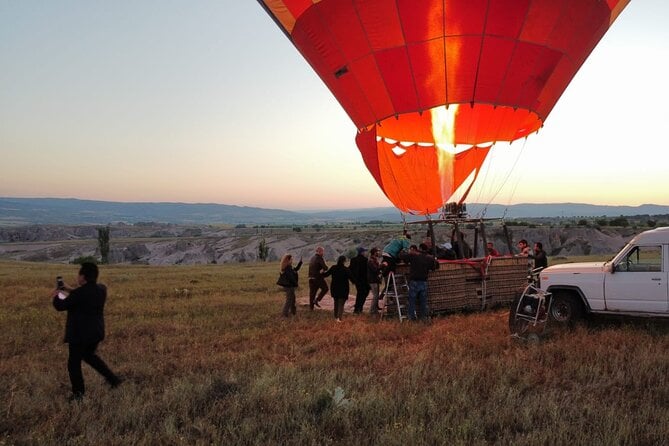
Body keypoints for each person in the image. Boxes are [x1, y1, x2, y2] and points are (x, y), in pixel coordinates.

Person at [51, 262, 121, 401]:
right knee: (89, 356)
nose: (78, 277)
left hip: (79, 335)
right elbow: (81, 294)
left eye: (79, 274)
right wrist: (69, 289)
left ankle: (78, 394)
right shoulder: (101, 289)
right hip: (96, 333)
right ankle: (113, 380)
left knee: (73, 364)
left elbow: (60, 306)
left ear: (82, 277)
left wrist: (56, 295)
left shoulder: (79, 294)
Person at [399, 243, 438, 321]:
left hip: (414, 282)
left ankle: (411, 318)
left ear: (419, 248)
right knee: (423, 302)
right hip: (423, 282)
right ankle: (423, 318)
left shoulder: (414, 256)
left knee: (412, 301)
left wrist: (403, 251)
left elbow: (402, 257)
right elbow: (436, 266)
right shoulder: (429, 258)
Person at [322, 255, 355, 322]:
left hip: (334, 288)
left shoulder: (333, 267)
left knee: (336, 303)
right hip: (343, 289)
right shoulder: (346, 269)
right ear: (344, 261)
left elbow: (326, 275)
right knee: (341, 304)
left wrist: (321, 272)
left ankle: (335, 317)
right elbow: (352, 279)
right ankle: (339, 319)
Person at [349, 246, 370, 314]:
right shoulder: (365, 260)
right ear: (362, 252)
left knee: (360, 294)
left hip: (356, 280)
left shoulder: (353, 260)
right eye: (364, 251)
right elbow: (367, 271)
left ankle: (357, 308)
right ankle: (359, 308)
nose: (365, 253)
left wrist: (352, 279)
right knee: (364, 294)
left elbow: (350, 269)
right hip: (364, 280)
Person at [367, 247, 383, 314]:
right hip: (372, 280)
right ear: (374, 252)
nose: (379, 253)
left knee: (376, 295)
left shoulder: (375, 260)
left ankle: (375, 310)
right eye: (378, 251)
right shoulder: (371, 260)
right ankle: (371, 311)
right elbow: (375, 270)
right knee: (375, 296)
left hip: (375, 280)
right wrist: (382, 265)